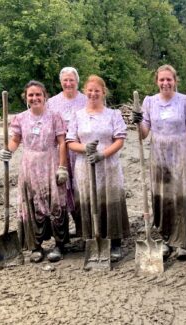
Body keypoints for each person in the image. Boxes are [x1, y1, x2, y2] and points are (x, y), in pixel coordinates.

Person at [132, 64, 186, 260]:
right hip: (159, 156)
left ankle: (182, 242)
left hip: (181, 154)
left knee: (181, 196)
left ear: (175, 81)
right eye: (161, 80)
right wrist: (137, 121)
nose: (165, 83)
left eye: (169, 79)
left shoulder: (185, 101)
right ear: (157, 81)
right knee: (163, 198)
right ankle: (165, 240)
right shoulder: (149, 102)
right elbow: (144, 134)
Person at [0, 80, 69, 263]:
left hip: (50, 162)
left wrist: (62, 167)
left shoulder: (55, 116)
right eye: (31, 95)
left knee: (55, 205)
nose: (35, 98)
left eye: (38, 94)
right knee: (33, 204)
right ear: (26, 98)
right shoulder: (21, 118)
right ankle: (36, 246)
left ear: (45, 96)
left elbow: (62, 143)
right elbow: (15, 140)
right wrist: (7, 150)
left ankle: (59, 245)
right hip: (29, 166)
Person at [66, 75, 130, 261]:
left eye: (97, 90)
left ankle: (115, 242)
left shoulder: (113, 115)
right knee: (89, 201)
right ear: (85, 91)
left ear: (103, 92)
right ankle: (92, 239)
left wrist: (103, 154)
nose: (93, 94)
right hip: (85, 166)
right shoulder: (77, 115)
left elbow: (120, 140)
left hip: (108, 165)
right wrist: (86, 148)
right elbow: (71, 142)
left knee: (110, 199)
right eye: (90, 90)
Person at [47, 67, 87, 237]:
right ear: (61, 82)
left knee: (82, 188)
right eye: (65, 80)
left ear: (77, 81)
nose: (69, 83)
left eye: (72, 80)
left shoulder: (86, 99)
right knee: (66, 189)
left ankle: (86, 225)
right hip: (62, 152)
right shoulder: (53, 102)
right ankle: (77, 225)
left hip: (80, 151)